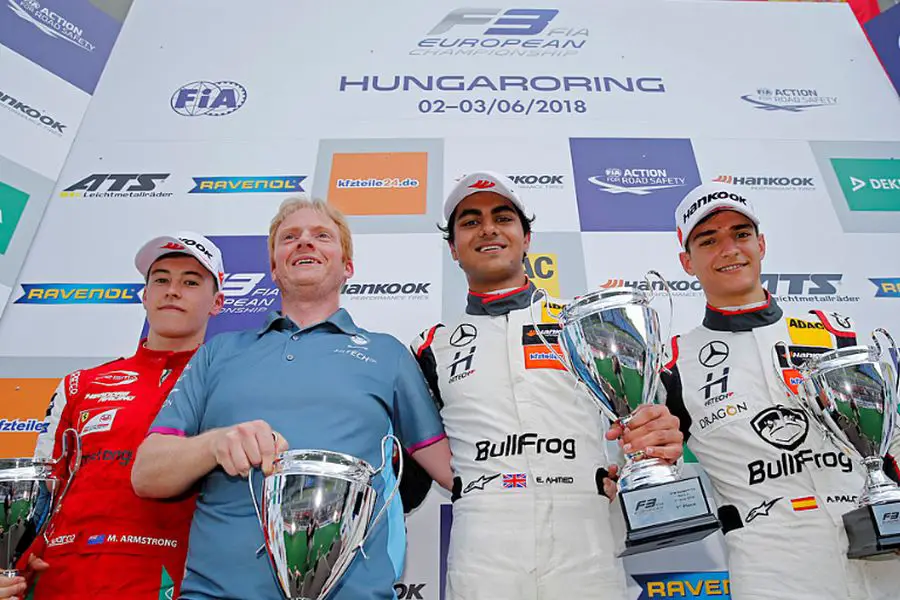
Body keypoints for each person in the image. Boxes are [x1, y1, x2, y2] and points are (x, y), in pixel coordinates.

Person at [131, 197, 453, 600]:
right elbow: (147, 474)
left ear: (347, 267)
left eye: (322, 236)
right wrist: (215, 444)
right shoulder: (219, 352)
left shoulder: (387, 354)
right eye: (290, 237)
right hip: (218, 592)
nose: (305, 243)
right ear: (273, 267)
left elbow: (454, 472)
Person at [407, 172, 684, 599]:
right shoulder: (430, 346)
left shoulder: (590, 322)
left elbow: (649, 418)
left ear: (526, 237)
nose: (488, 229)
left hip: (586, 536)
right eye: (470, 221)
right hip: (483, 544)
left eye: (503, 217)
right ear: (452, 248)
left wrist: (655, 441)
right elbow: (417, 457)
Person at [662, 182, 900, 600]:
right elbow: (657, 455)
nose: (730, 249)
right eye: (708, 240)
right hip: (773, 565)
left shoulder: (834, 332)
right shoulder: (675, 362)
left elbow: (891, 438)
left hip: (882, 549)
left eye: (741, 234)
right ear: (687, 261)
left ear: (762, 243)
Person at [0, 232, 226, 600]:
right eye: (161, 279)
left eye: (190, 281)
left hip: (171, 578)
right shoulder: (80, 385)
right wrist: (18, 560)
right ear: (144, 295)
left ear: (217, 302)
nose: (172, 290)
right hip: (63, 575)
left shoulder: (230, 383)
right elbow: (45, 488)